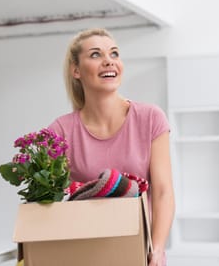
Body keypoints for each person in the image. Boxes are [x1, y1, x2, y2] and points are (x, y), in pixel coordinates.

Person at [48, 28, 175, 266]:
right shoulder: (61, 131)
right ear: (76, 70)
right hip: (84, 255)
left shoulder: (150, 118)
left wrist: (156, 250)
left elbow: (163, 192)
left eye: (114, 54)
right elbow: (53, 200)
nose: (109, 61)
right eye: (96, 55)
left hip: (140, 254)